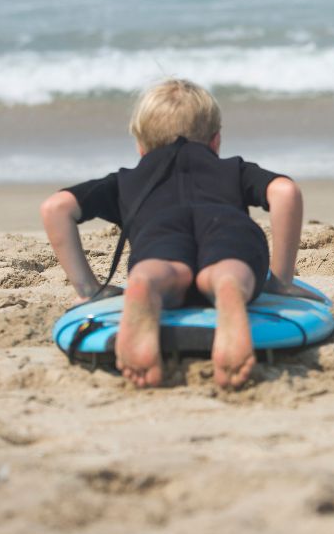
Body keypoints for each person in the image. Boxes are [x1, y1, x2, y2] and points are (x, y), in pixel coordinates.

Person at [39, 78, 303, 390]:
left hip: (159, 234)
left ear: (141, 147)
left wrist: (88, 289)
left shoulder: (127, 180)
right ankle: (227, 285)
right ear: (216, 141)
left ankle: (148, 282)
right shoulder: (232, 169)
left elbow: (56, 208)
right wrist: (281, 282)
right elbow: (285, 192)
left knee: (163, 267)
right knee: (229, 266)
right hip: (227, 228)